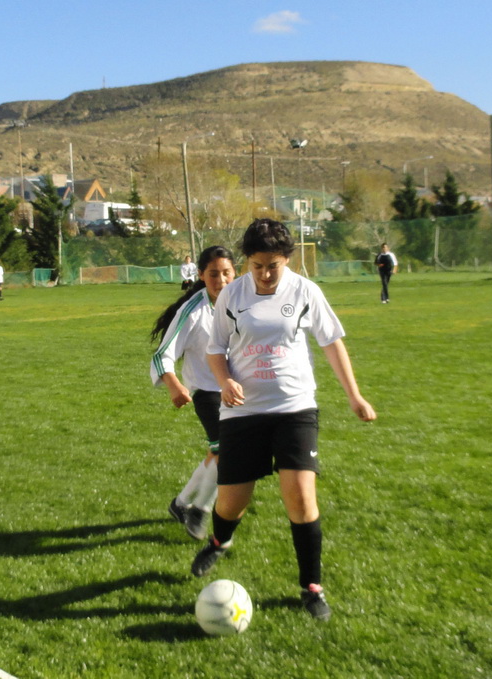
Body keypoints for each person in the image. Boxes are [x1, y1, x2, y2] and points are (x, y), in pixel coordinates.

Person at [192, 218, 376, 622]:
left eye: (272, 265)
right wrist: (224, 382)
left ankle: (312, 587)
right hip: (243, 411)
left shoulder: (305, 291)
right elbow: (216, 349)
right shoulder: (232, 294)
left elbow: (331, 343)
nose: (264, 274)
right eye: (256, 265)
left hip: (295, 408)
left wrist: (355, 396)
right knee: (231, 503)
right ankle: (220, 541)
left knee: (301, 497)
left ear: (287, 259)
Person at [151, 246, 237, 541]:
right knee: (226, 450)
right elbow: (162, 354)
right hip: (205, 391)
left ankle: (180, 503)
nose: (221, 280)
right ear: (201, 275)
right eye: (213, 274)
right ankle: (201, 508)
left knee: (218, 452)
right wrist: (174, 385)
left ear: (236, 272)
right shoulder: (192, 311)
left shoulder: (242, 302)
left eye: (226, 273)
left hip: (236, 391)